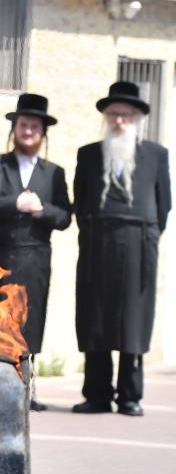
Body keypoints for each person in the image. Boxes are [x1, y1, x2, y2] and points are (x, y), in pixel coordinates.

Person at [73, 82, 171, 417]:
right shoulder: (88, 154)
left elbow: (164, 205)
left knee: (133, 319)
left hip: (138, 245)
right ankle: (97, 394)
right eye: (114, 114)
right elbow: (80, 202)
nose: (119, 121)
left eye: (126, 115)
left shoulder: (156, 155)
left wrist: (148, 238)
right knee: (95, 316)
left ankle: (130, 395)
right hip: (97, 244)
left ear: (137, 119)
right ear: (106, 117)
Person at [0, 94, 71, 411]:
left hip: (37, 258)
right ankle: (2, 390)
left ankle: (28, 390)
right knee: (2, 322)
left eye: (34, 127)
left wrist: (41, 209)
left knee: (32, 322)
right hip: (2, 256)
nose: (28, 131)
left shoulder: (53, 173)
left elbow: (65, 217)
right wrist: (16, 203)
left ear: (43, 133)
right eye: (24, 125)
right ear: (14, 129)